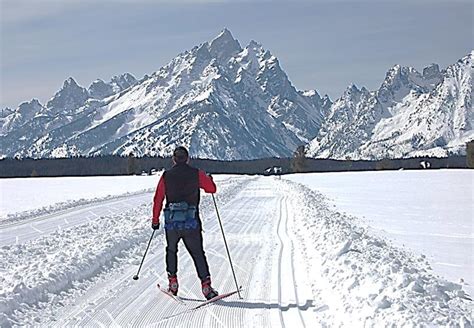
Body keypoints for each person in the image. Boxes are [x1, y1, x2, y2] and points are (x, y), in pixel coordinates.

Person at [152, 146, 218, 300]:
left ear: (174, 159)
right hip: (191, 221)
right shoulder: (197, 174)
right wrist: (210, 180)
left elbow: (158, 198)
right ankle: (206, 287)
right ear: (188, 159)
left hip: (172, 223)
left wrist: (155, 220)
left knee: (171, 250)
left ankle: (173, 283)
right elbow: (212, 190)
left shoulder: (166, 176)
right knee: (197, 253)